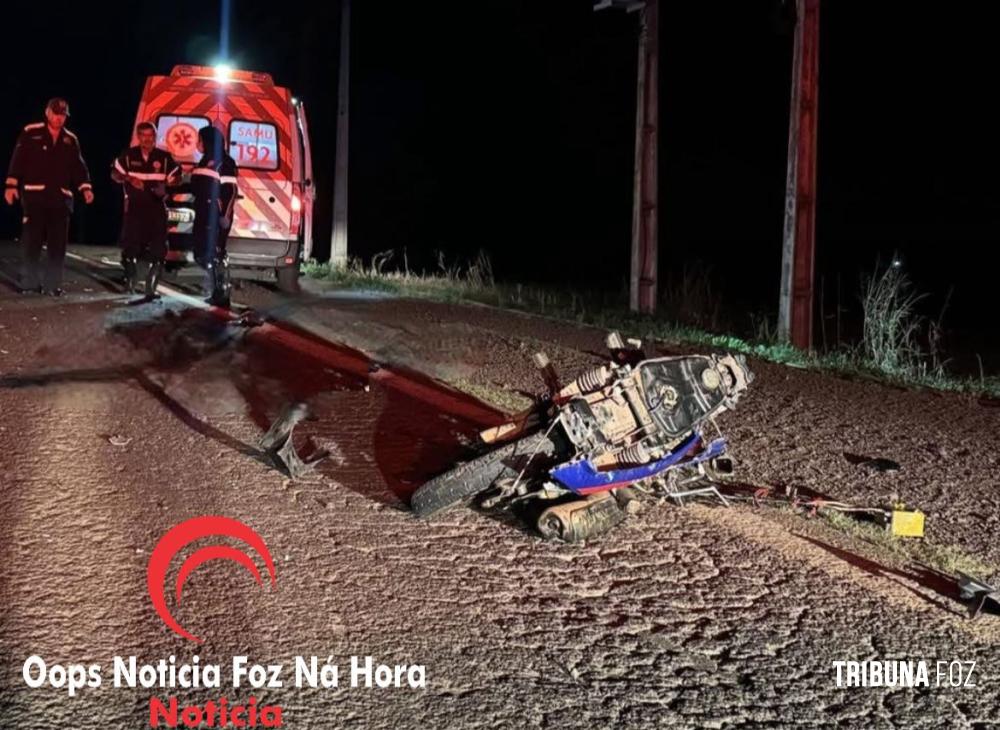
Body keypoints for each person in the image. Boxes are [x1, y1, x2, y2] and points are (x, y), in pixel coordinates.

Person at [4, 98, 93, 296]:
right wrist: (11, 185)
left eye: (63, 115)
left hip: (60, 199)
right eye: (56, 114)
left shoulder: (70, 139)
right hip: (34, 196)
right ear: (47, 113)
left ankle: (53, 285)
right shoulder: (31, 132)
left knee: (57, 245)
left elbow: (78, 167)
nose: (59, 118)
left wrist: (85, 188)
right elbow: (18, 159)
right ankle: (29, 283)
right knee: (31, 242)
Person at [111, 121, 181, 299]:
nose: (147, 139)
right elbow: (114, 173)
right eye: (143, 136)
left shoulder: (164, 158)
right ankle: (130, 282)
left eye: (150, 136)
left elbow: (177, 177)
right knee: (130, 245)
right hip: (135, 208)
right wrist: (129, 178)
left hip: (156, 208)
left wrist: (168, 185)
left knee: (159, 247)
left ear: (155, 137)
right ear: (138, 137)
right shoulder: (128, 155)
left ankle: (151, 288)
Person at [190, 125, 238, 307]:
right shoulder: (203, 161)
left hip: (217, 216)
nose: (198, 143)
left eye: (200, 140)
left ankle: (222, 294)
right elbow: (196, 187)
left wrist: (225, 215)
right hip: (203, 213)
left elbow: (231, 190)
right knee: (201, 254)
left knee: (216, 253)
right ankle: (217, 289)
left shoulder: (225, 162)